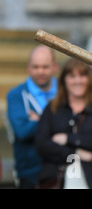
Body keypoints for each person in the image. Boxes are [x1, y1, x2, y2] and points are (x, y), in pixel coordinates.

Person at [35, 58, 92, 189]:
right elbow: (42, 144)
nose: (77, 81)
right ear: (64, 80)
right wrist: (76, 153)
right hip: (56, 180)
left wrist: (68, 138)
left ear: (90, 79)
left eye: (82, 75)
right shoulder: (53, 108)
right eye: (72, 76)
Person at [6, 45, 58, 188]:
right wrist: (56, 120)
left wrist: (38, 120)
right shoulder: (16, 95)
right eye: (35, 67)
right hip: (31, 172)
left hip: (65, 169)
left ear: (55, 67)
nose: (40, 71)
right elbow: (22, 132)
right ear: (28, 68)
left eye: (45, 67)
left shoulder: (66, 91)